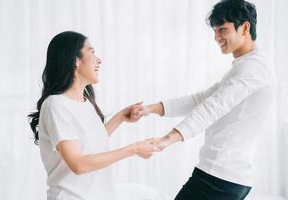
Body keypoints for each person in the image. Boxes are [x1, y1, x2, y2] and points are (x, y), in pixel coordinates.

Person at [132, 0, 277, 199]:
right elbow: (202, 99)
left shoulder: (253, 68)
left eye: (222, 30)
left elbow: (213, 107)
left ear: (245, 27)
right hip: (224, 176)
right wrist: (151, 109)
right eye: (215, 31)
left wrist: (166, 140)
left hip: (219, 177)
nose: (216, 37)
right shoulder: (247, 65)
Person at [28, 31, 160, 200]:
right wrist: (133, 149)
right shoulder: (56, 105)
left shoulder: (85, 102)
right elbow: (78, 164)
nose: (99, 59)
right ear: (75, 60)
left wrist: (120, 117)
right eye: (91, 52)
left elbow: (91, 143)